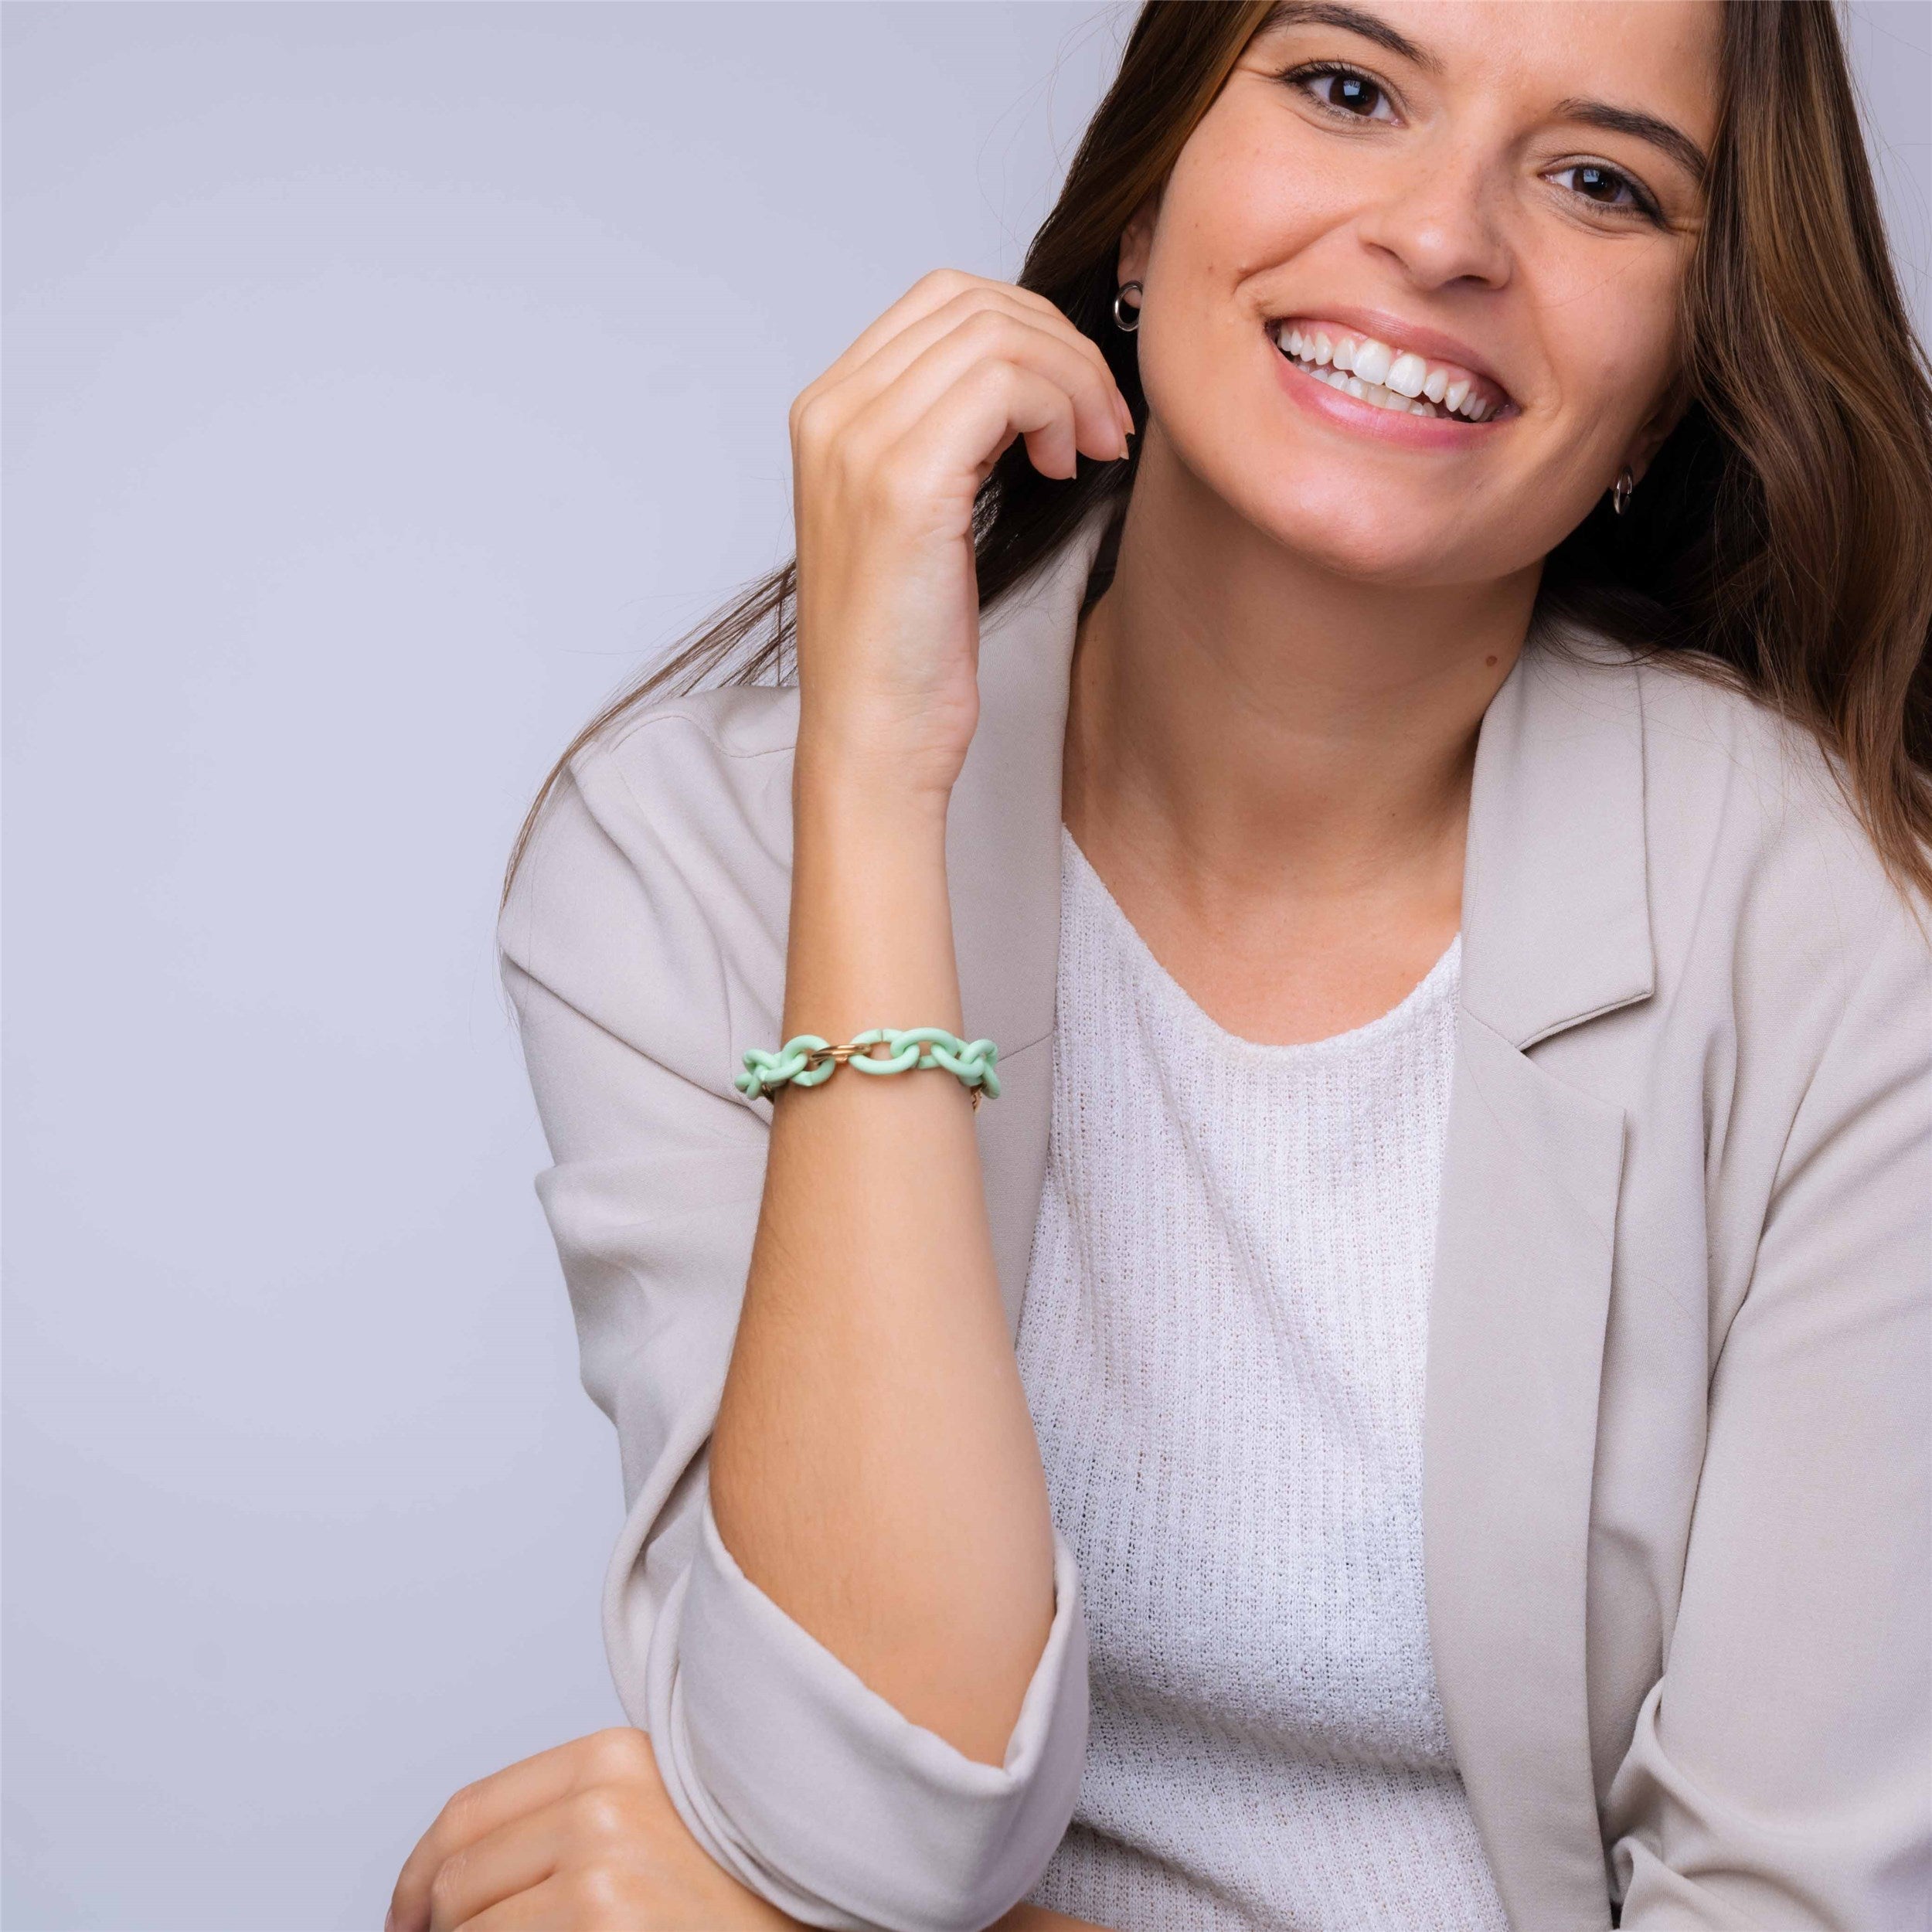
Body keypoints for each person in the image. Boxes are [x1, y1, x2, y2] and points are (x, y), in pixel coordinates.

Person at [388, 2, 1932, 1927]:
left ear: (1677, 381)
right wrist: (874, 793)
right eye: (1346, 87)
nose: (1444, 235)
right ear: (1141, 203)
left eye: (1598, 181)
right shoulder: (689, 852)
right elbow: (865, 1819)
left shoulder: (1846, 946)